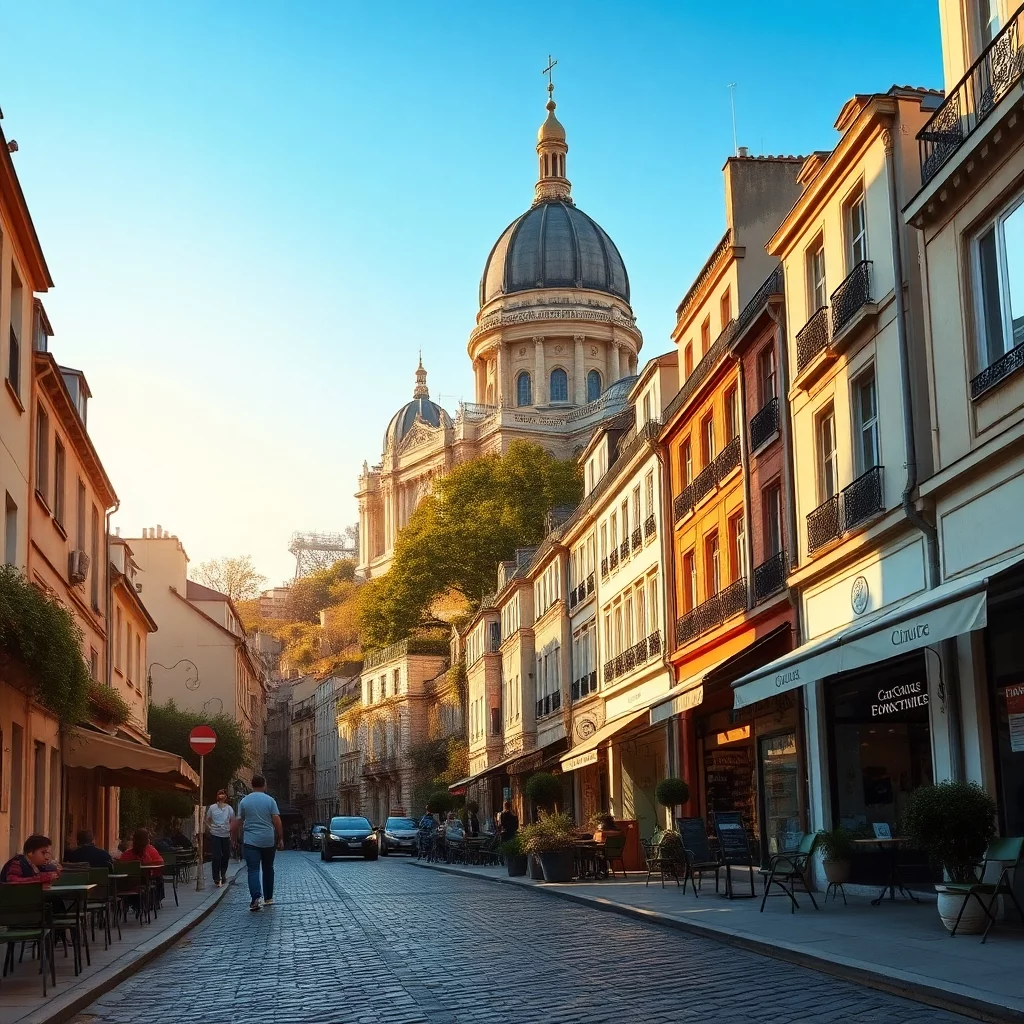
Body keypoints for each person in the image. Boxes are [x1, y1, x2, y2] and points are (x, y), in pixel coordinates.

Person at [234, 775, 283, 913]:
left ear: (251, 784)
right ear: (264, 785)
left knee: (253, 870)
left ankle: (255, 898)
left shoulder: (244, 801)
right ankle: (268, 898)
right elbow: (277, 820)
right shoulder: (270, 800)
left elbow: (238, 821)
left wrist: (233, 837)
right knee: (268, 867)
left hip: (250, 840)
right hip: (267, 840)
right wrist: (280, 837)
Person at [205, 789, 235, 887]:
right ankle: (216, 877)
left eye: (223, 794)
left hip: (225, 835)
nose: (221, 796)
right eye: (220, 794)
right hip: (215, 834)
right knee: (216, 856)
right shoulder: (212, 808)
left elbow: (233, 821)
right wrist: (210, 828)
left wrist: (231, 830)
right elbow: (207, 820)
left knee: (225, 855)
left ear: (226, 797)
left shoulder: (229, 808)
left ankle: (223, 872)